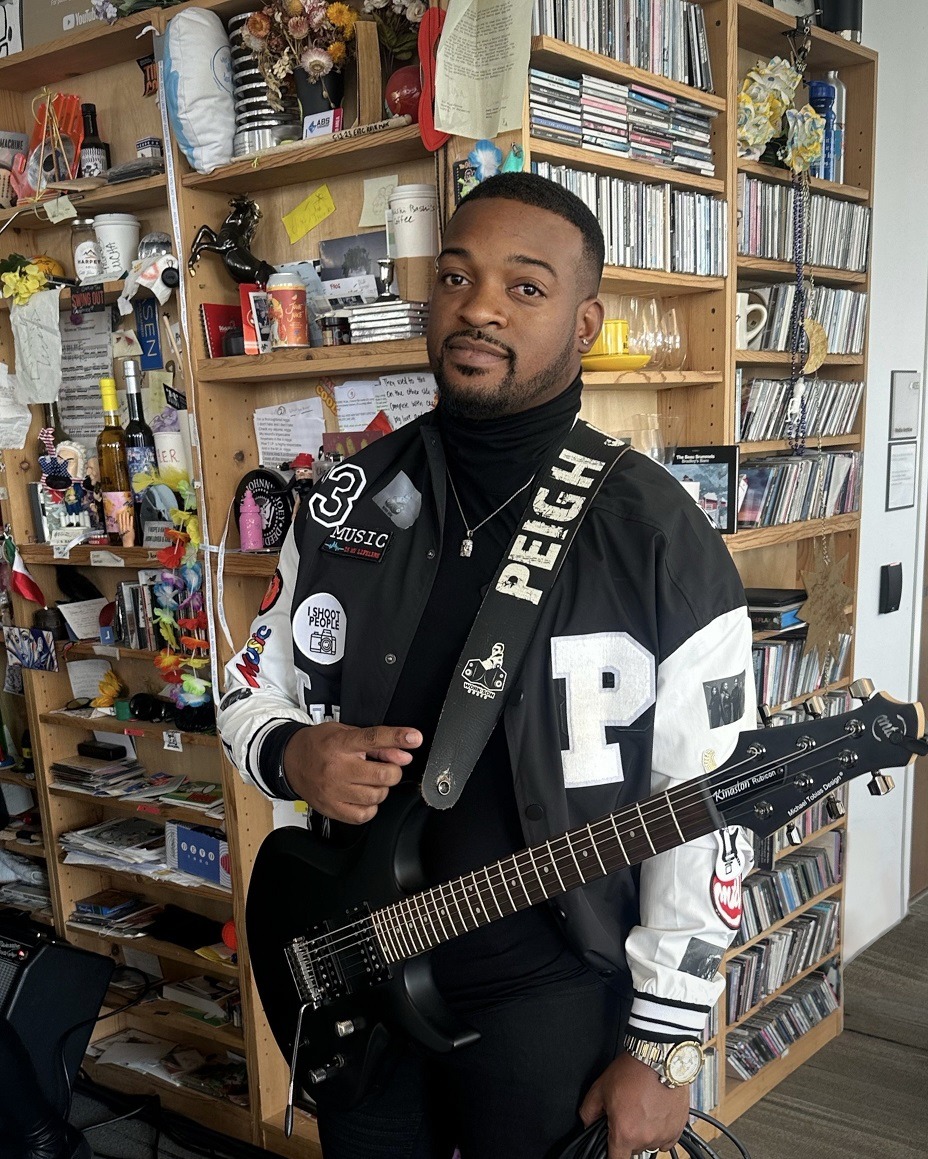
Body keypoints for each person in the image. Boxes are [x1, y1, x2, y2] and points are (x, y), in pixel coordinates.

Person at [218, 173, 755, 1159]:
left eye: (524, 287)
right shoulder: (343, 503)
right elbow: (247, 686)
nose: (479, 307)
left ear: (585, 320)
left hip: (548, 989)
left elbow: (707, 803)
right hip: (351, 964)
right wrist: (293, 754)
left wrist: (665, 1044)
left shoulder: (660, 539)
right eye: (458, 276)